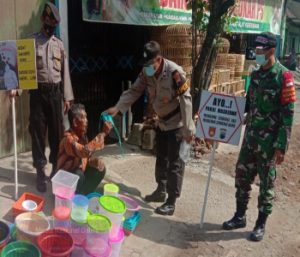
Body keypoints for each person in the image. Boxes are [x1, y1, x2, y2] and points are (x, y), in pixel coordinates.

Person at [106, 41, 195, 216]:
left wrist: (188, 128)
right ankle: (160, 190)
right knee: (161, 158)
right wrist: (118, 108)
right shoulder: (147, 72)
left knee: (175, 163)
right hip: (161, 122)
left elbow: (186, 99)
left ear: (159, 59)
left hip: (177, 123)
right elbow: (134, 91)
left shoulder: (174, 73)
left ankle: (171, 201)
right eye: (144, 65)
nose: (146, 68)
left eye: (149, 64)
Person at [222, 32, 296, 241]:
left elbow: (288, 113)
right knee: (241, 176)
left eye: (261, 51)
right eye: (257, 50)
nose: (257, 54)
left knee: (266, 184)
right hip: (250, 137)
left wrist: (281, 145)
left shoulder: (284, 77)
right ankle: (239, 216)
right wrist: (227, 115)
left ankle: (260, 224)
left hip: (269, 143)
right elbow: (248, 104)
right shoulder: (255, 75)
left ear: (272, 51)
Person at [11, 2, 74, 192]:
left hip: (55, 94)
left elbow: (65, 74)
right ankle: (40, 171)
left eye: (52, 23)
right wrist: (16, 88)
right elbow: (24, 71)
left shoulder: (59, 45)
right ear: (42, 20)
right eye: (47, 21)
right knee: (37, 134)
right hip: (37, 94)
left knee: (56, 133)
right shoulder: (31, 42)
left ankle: (55, 168)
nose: (49, 26)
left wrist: (67, 97)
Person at [56, 104, 112, 194]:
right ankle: (72, 199)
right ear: (75, 122)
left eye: (86, 117)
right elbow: (84, 151)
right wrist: (103, 133)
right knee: (79, 175)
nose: (87, 121)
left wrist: (93, 161)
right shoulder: (67, 139)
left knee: (100, 168)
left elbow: (84, 158)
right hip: (63, 182)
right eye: (84, 118)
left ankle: (84, 195)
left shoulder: (82, 137)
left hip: (76, 175)